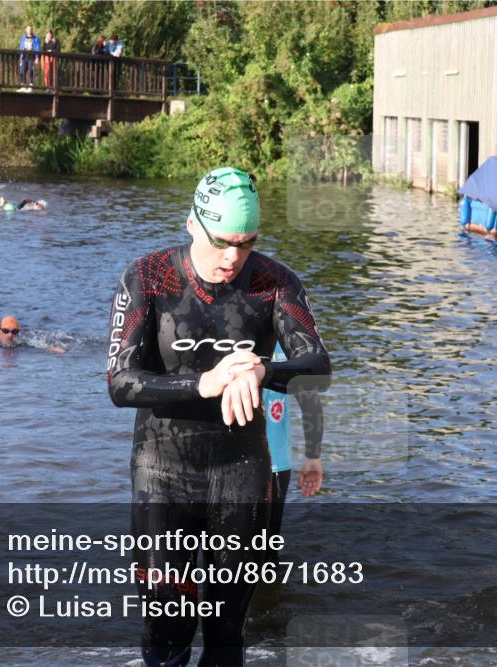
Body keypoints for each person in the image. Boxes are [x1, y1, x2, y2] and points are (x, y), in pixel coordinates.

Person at [107, 167, 331, 666]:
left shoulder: (274, 281)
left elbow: (318, 367)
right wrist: (204, 382)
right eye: (223, 242)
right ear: (192, 225)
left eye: (246, 244)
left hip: (241, 475)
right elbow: (120, 383)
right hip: (161, 475)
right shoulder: (148, 277)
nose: (233, 258)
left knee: (228, 633)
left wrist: (262, 370)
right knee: (166, 630)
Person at [263, 343, 324, 538]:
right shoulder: (287, 339)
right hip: (275, 463)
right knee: (266, 549)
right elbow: (310, 401)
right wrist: (313, 456)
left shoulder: (223, 331)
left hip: (226, 462)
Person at [0, 315, 65, 353]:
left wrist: (52, 348)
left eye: (14, 332)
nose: (10, 335)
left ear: (18, 334)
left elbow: (37, 347)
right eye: (6, 331)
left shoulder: (21, 344)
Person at [17, 25, 40, 90]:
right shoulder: (23, 37)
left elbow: (37, 48)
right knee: (22, 70)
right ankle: (23, 85)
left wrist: (37, 57)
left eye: (30, 29)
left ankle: (31, 85)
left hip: (32, 56)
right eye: (28, 29)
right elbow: (21, 47)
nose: (29, 30)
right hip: (24, 55)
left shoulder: (35, 38)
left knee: (31, 70)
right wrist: (20, 57)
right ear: (26, 30)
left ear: (32, 30)